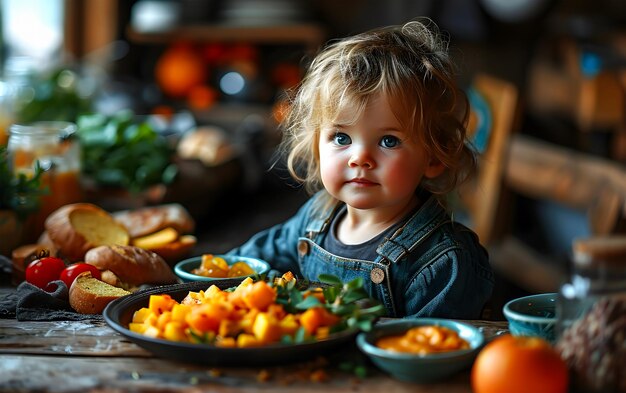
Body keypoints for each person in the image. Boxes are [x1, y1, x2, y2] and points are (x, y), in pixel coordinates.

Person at [226, 18, 494, 319]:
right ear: (316, 145)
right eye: (341, 138)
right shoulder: (316, 219)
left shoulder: (444, 261)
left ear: (433, 158)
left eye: (389, 141)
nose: (360, 158)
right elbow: (243, 265)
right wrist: (180, 279)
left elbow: (427, 353)